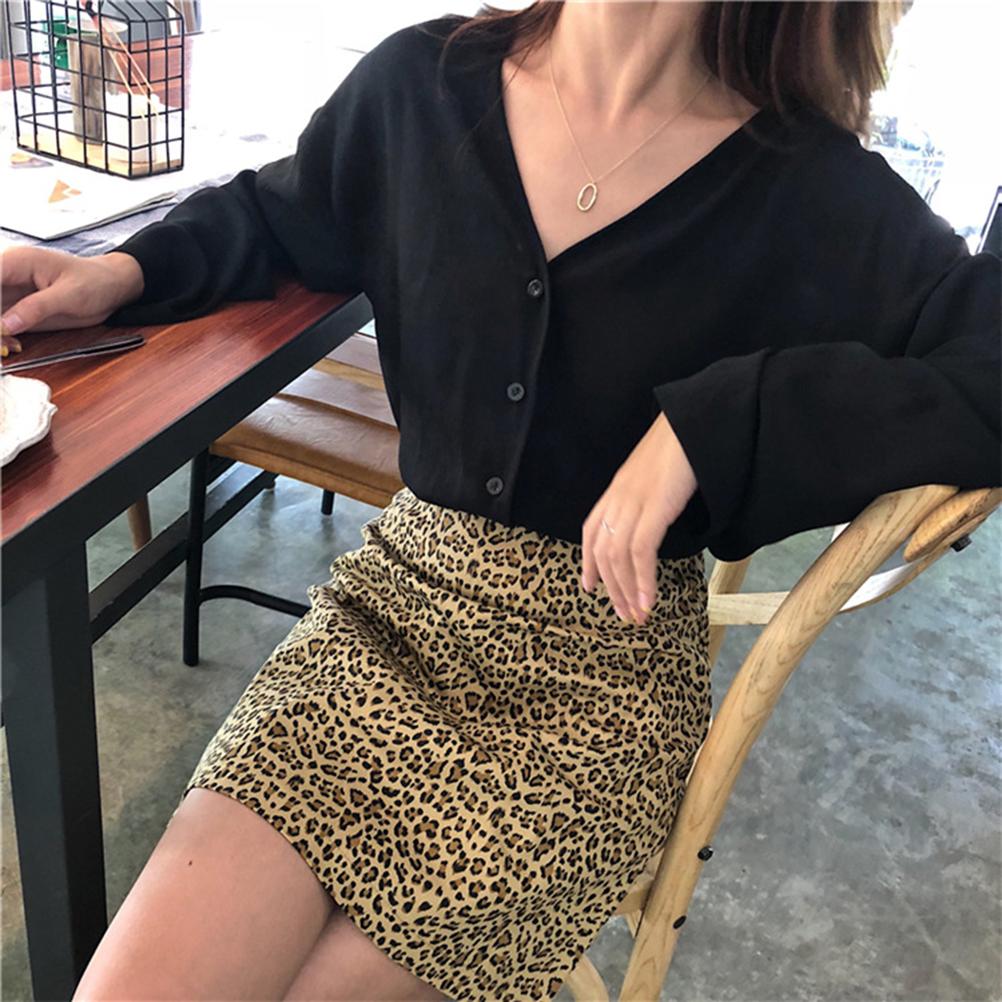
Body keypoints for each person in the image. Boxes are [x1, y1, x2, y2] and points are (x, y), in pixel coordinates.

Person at [2, 2, 999, 999]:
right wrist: (120, 272)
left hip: (595, 692)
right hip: (389, 618)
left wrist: (724, 424)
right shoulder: (419, 86)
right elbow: (278, 213)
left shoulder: (812, 189)